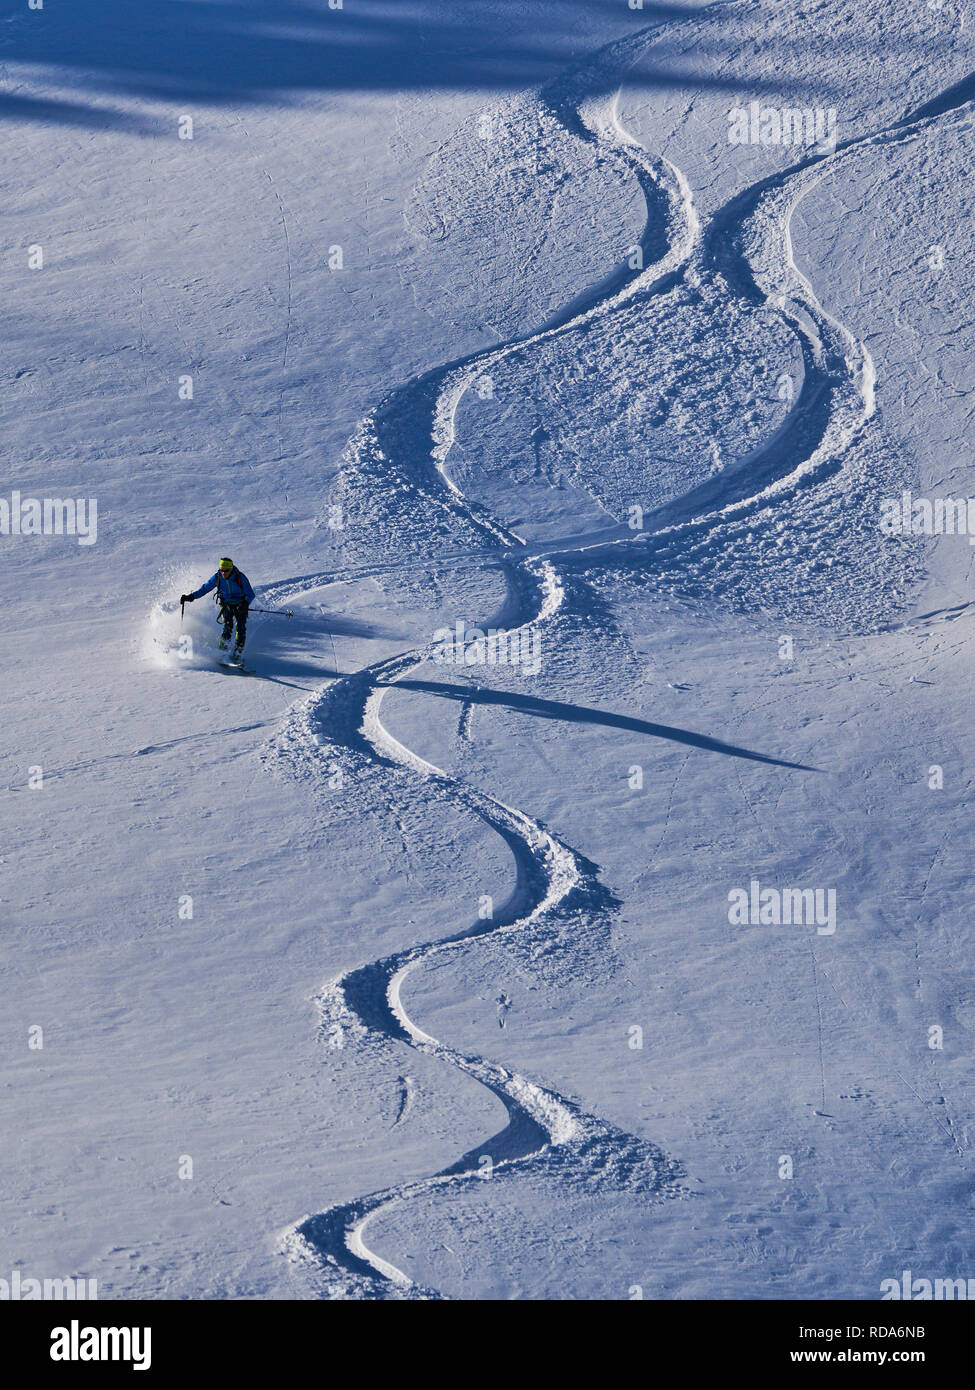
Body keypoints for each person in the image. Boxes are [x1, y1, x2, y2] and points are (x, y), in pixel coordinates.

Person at [181, 558, 256, 659]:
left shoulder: (240, 577)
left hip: (241, 604)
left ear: (231, 569)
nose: (223, 573)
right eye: (221, 570)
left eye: (226, 570)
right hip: (226, 604)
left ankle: (238, 653)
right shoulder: (217, 577)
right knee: (228, 626)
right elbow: (205, 588)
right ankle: (222, 651)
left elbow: (250, 594)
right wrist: (191, 597)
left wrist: (245, 604)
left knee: (241, 627)